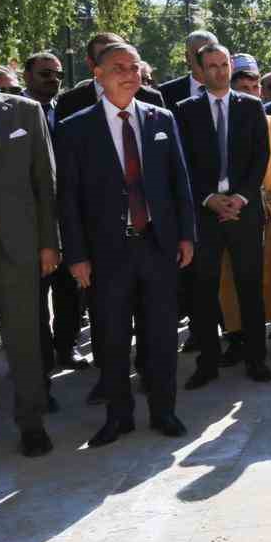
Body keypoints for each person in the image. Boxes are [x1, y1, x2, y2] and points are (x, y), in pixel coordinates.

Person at [56, 42, 195, 446]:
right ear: (97, 74)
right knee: (112, 337)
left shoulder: (161, 119)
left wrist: (186, 235)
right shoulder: (75, 127)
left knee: (162, 335)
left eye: (134, 66)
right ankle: (118, 417)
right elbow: (69, 199)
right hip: (106, 253)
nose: (130, 74)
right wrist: (77, 255)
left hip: (158, 246)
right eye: (119, 67)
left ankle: (164, 411)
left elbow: (179, 184)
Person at [176, 43, 271, 388]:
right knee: (204, 290)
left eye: (223, 65)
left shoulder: (251, 106)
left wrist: (242, 198)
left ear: (230, 66)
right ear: (200, 71)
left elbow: (260, 156)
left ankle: (256, 358)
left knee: (250, 287)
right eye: (211, 66)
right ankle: (207, 362)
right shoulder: (184, 111)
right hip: (205, 214)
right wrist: (209, 199)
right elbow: (182, 162)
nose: (218, 71)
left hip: (244, 213)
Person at [0, 35, 60, 457]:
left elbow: (44, 186)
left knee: (25, 339)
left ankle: (32, 423)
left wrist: (50, 244)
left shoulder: (24, 112)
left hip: (20, 246)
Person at [220, 57, 271, 342]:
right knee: (232, 275)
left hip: (270, 210)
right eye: (243, 87)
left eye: (255, 87)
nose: (251, 93)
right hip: (232, 212)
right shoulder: (221, 120)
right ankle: (238, 334)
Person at [22, 51, 86, 372]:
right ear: (27, 76)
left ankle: (66, 347)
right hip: (29, 220)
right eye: (46, 74)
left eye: (58, 75)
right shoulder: (14, 113)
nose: (53, 80)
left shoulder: (67, 113)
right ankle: (41, 355)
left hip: (66, 216)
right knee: (35, 294)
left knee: (69, 289)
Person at [54, 32, 165, 121]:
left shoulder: (151, 98)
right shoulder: (69, 102)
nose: (125, 72)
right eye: (106, 57)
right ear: (91, 64)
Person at [158, 29, 219, 110]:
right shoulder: (165, 92)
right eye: (200, 54)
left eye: (212, 53)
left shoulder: (234, 88)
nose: (206, 60)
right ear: (188, 57)